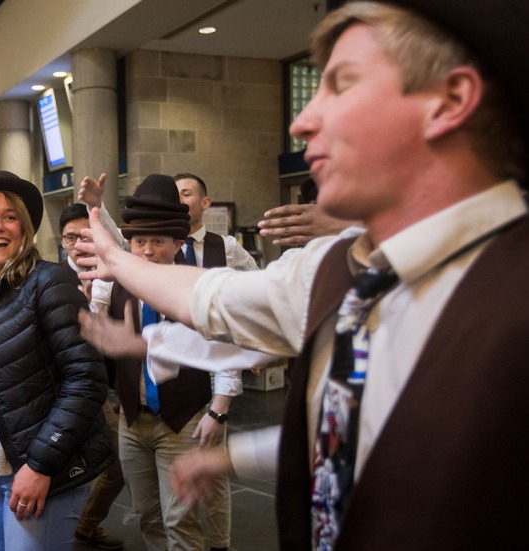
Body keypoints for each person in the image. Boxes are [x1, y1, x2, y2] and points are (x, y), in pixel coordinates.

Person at [76, 1, 528, 548]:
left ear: (448, 101)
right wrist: (235, 456)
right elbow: (221, 300)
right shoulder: (341, 268)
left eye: (342, 84)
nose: (302, 121)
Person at [0, 170, 114, 550]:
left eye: (10, 216)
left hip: (44, 476)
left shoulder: (49, 283)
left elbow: (86, 378)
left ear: (26, 229)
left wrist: (39, 465)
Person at [87, 174, 240, 551]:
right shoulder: (115, 283)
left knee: (180, 519)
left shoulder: (198, 287)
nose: (148, 251)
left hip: (182, 417)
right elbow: (90, 320)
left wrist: (218, 410)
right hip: (131, 419)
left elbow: (226, 348)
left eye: (158, 242)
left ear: (178, 245)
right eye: (139, 242)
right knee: (148, 515)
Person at [56, 203, 126, 550]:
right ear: (62, 240)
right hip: (61, 391)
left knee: (117, 467)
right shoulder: (50, 278)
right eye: (72, 237)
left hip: (102, 389)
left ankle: (85, 524)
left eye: (86, 235)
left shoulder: (111, 274)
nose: (79, 243)